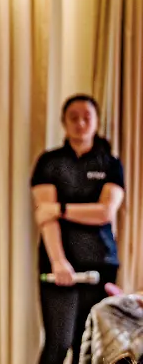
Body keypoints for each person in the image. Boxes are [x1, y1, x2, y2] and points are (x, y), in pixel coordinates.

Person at [32, 94, 125, 364]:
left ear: (96, 122)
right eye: (73, 118)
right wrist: (59, 262)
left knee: (88, 347)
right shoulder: (49, 162)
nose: (80, 123)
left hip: (101, 263)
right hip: (59, 268)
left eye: (87, 117)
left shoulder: (110, 163)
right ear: (64, 122)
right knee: (58, 343)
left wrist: (61, 209)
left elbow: (105, 212)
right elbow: (44, 217)